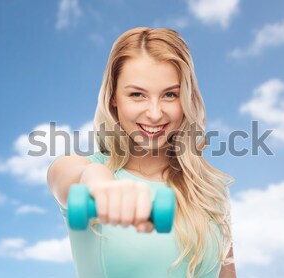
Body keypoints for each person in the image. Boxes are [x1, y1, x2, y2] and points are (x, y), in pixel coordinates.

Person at [47, 27, 236, 278]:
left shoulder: (209, 192)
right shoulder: (80, 171)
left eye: (170, 94)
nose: (155, 113)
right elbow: (70, 175)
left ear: (186, 98)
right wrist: (98, 180)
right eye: (137, 95)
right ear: (114, 96)